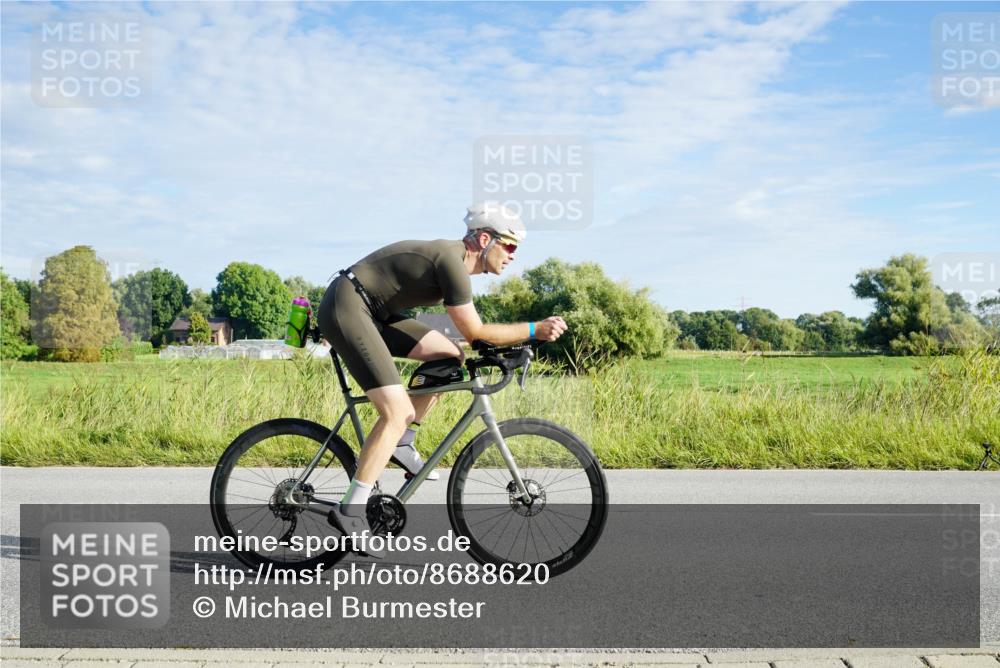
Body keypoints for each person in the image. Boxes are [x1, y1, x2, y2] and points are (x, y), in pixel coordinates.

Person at [318, 203, 567, 553]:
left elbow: (470, 341)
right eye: (510, 246)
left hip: (373, 311)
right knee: (396, 411)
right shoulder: (452, 262)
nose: (513, 256)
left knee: (450, 354)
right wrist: (532, 329)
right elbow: (476, 331)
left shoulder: (458, 264)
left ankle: (401, 443)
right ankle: (352, 508)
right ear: (484, 239)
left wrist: (515, 344)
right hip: (347, 306)